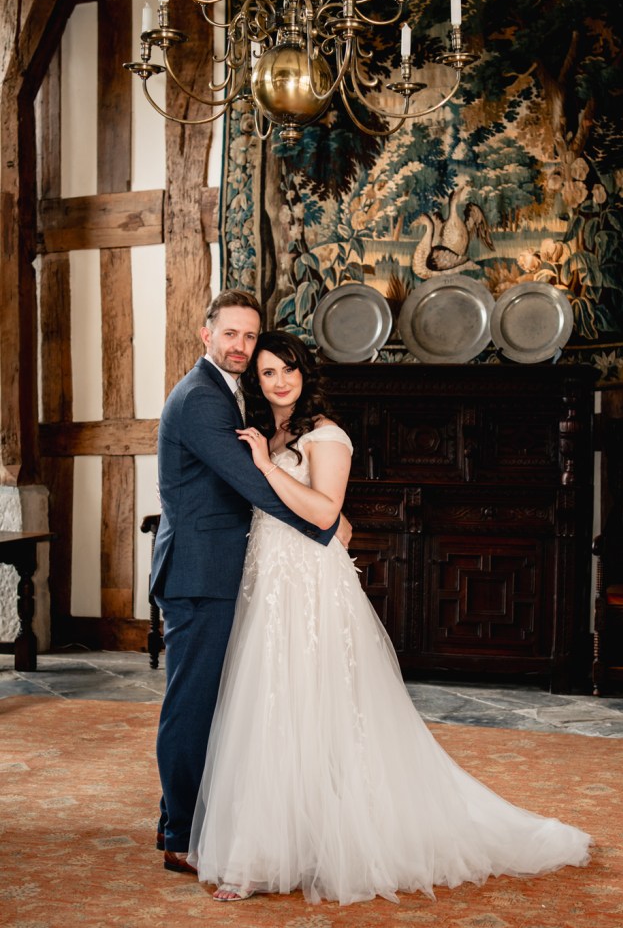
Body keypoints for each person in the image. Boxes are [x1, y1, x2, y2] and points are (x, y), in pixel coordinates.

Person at [187, 331, 592, 905]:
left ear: (306, 374)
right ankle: (265, 850)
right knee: (269, 702)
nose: (279, 381)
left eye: (289, 369)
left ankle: (321, 843)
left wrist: (263, 466)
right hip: (269, 578)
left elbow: (326, 513)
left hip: (309, 583)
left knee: (314, 702)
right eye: (268, 371)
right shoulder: (271, 433)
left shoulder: (327, 435)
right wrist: (262, 458)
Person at [151, 291, 347, 875]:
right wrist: (326, 527)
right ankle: (179, 834)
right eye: (229, 334)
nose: (239, 346)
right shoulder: (200, 400)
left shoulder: (232, 395)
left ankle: (196, 819)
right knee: (192, 705)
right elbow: (251, 483)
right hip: (199, 573)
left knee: (220, 704)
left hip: (222, 569)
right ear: (205, 333)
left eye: (248, 337)